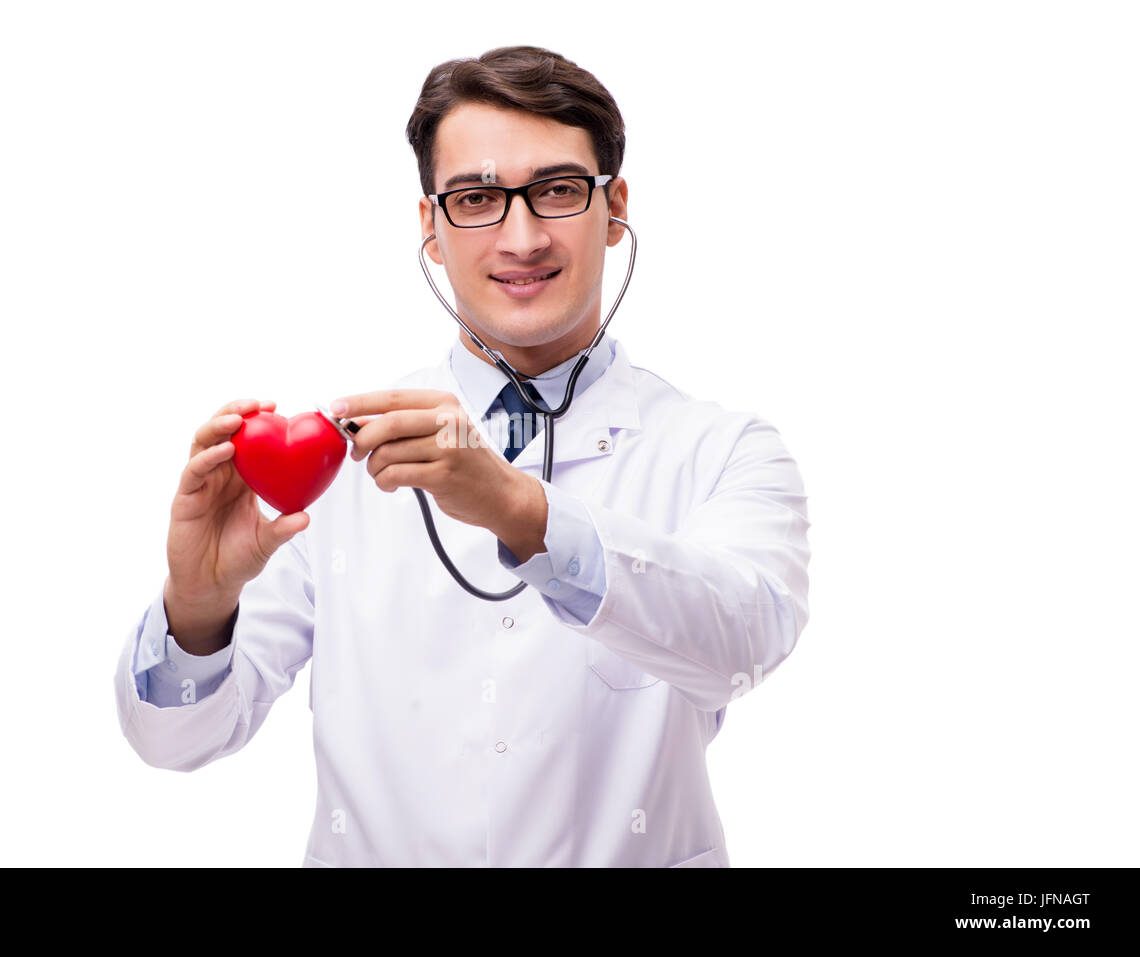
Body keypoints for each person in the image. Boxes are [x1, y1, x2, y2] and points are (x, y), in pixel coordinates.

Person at [113, 45, 811, 867]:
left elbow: (745, 640)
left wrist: (523, 512)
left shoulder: (722, 450)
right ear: (431, 229)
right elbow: (177, 738)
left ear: (614, 209)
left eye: (555, 191)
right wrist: (198, 607)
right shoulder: (327, 464)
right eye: (477, 197)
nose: (521, 237)